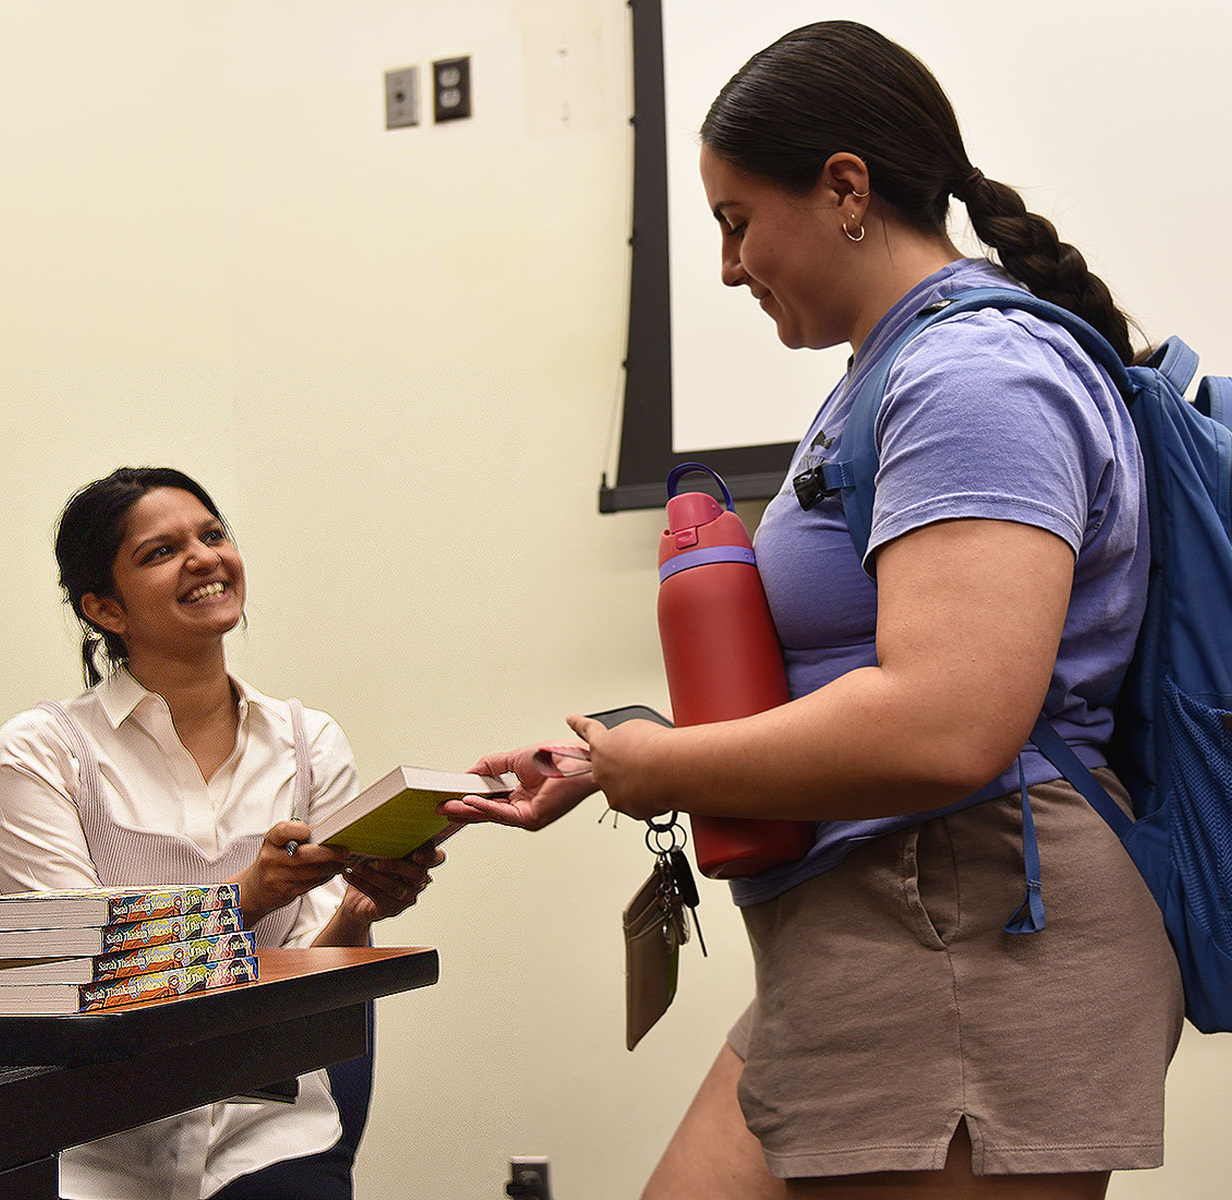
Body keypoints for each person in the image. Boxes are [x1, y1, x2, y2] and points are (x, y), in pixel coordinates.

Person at [443, 20, 1182, 1200]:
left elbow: (947, 722)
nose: (729, 266)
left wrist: (672, 769)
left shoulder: (973, 377)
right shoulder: (896, 371)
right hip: (878, 927)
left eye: (736, 222)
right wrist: (616, 760)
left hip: (965, 933)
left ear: (845, 187)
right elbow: (856, 681)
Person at [0, 466, 439, 1200]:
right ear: (105, 607)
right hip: (96, 1144)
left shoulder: (309, 742)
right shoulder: (43, 751)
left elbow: (311, 982)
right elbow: (70, 965)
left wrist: (359, 913)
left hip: (267, 1131)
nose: (204, 558)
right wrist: (243, 901)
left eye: (213, 534)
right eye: (160, 552)